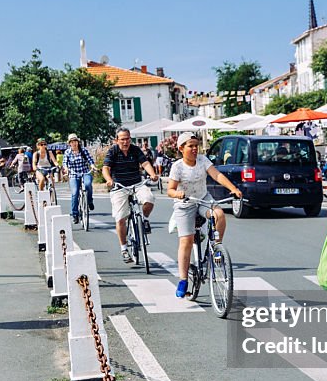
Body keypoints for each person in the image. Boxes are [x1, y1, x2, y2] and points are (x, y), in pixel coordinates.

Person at [167, 132, 242, 298]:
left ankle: (216, 249)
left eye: (196, 145)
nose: (195, 149)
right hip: (185, 204)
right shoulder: (177, 167)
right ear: (181, 148)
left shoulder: (202, 160)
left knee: (219, 215)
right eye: (190, 146)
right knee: (186, 240)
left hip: (202, 199)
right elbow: (170, 190)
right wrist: (177, 194)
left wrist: (233, 188)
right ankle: (183, 280)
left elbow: (217, 175)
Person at [102, 127, 159, 264]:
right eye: (122, 139)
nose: (125, 142)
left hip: (137, 184)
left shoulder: (135, 149)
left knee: (149, 199)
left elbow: (145, 163)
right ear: (117, 140)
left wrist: (152, 174)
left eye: (127, 138)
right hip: (119, 187)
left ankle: (144, 219)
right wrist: (109, 180)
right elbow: (106, 168)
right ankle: (124, 249)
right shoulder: (113, 151)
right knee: (120, 217)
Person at [64, 133, 96, 224]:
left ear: (78, 142)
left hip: (85, 172)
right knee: (75, 193)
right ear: (69, 143)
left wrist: (93, 166)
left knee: (88, 184)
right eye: (72, 142)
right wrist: (66, 170)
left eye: (75, 141)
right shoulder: (67, 152)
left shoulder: (83, 150)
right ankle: (75, 214)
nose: (74, 143)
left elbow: (90, 160)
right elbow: (65, 163)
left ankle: (89, 201)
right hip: (73, 174)